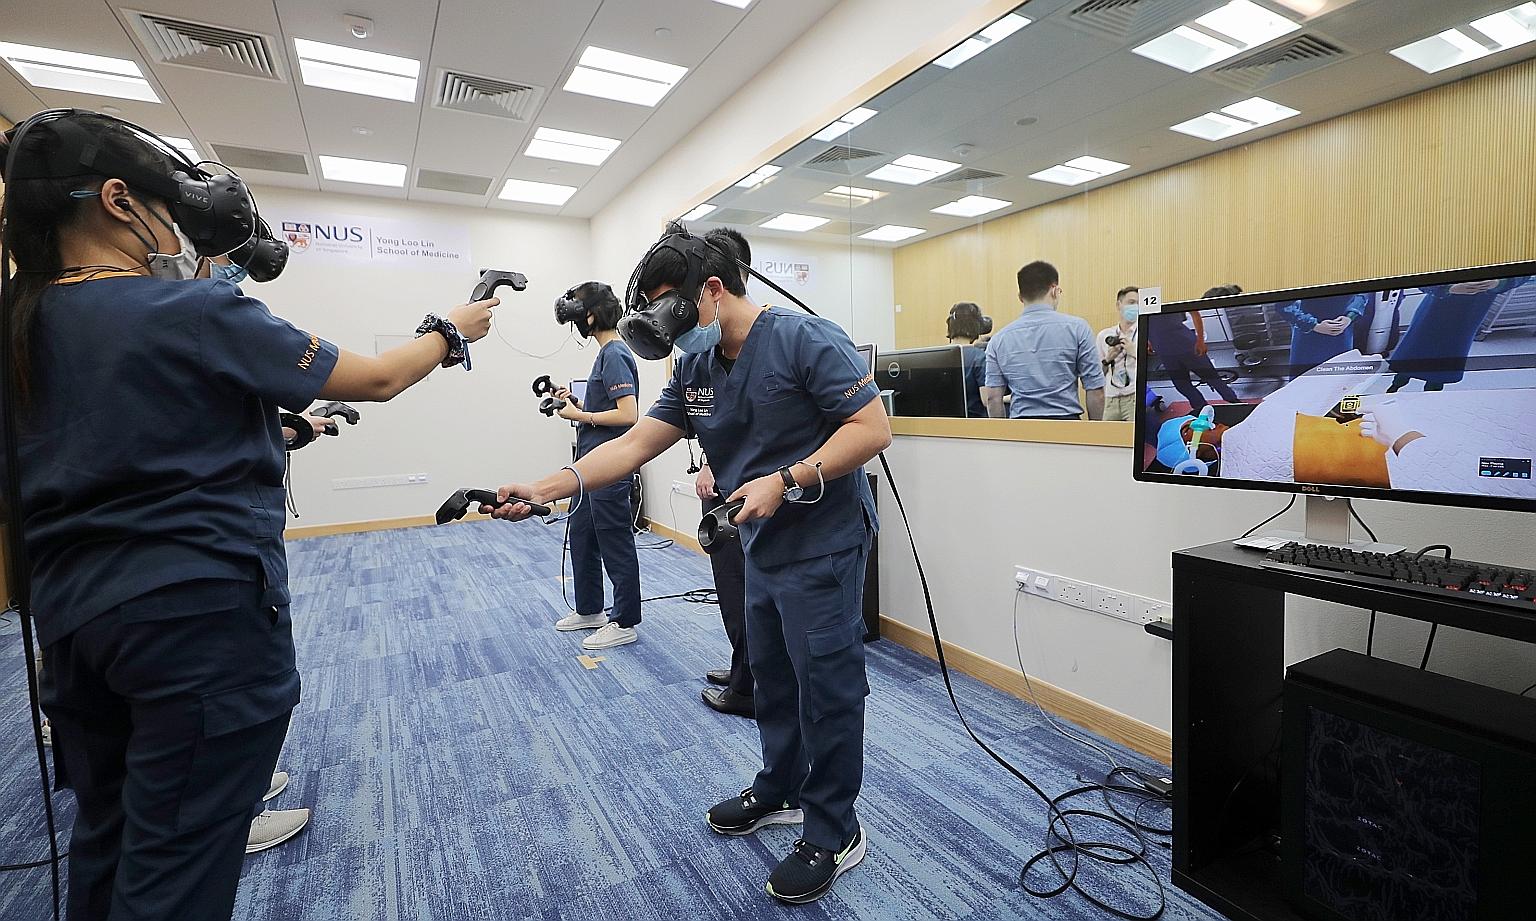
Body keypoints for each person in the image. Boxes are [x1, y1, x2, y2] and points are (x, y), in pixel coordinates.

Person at [1, 110, 496, 921]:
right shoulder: (188, 310)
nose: (176, 232)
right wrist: (451, 330)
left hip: (72, 625)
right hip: (195, 624)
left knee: (110, 837)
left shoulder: (21, 322)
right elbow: (377, 377)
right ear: (118, 200)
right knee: (177, 871)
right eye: (166, 210)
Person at [485, 224, 890, 904]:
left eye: (671, 308)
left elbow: (872, 428)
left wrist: (786, 479)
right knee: (769, 674)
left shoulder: (805, 339)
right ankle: (781, 786)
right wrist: (546, 486)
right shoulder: (695, 369)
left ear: (713, 289)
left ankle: (834, 827)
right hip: (758, 546)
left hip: (821, 544)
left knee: (826, 687)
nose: (668, 329)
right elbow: (634, 443)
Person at [547, 282, 643, 650]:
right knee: (582, 536)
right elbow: (605, 408)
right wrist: (575, 403)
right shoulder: (605, 354)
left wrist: (580, 415)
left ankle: (624, 621)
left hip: (609, 467)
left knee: (615, 542)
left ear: (590, 316)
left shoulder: (615, 353)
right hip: (588, 467)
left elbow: (628, 414)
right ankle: (590, 609)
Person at [982, 261, 1105, 420]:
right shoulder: (1078, 328)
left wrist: (1002, 433)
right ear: (1054, 290)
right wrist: (1094, 430)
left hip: (1021, 426)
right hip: (1067, 424)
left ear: (1020, 297)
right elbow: (1096, 391)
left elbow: (992, 398)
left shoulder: (998, 340)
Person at [1386, 277, 1531, 392]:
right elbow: (1422, 277)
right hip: (1436, 308)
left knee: (1445, 359)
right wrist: (1448, 288)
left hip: (1470, 314)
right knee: (1414, 351)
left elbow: (1523, 273)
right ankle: (1395, 386)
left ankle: (1430, 396)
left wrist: (1499, 282)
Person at [696, 458, 754, 718]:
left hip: (731, 484)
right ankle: (746, 667)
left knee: (736, 587)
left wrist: (711, 465)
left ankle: (746, 689)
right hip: (734, 481)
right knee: (737, 587)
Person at [1144, 284, 1241, 412]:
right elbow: (1147, 324)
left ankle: (1235, 402)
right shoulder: (1145, 306)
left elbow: (1195, 314)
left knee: (1212, 378)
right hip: (1165, 351)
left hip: (1187, 346)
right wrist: (1148, 341)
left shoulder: (1173, 298)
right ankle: (1202, 409)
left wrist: (1200, 341)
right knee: (1182, 385)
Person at [1097, 286, 1141, 421]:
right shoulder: (1104, 335)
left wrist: (1134, 352)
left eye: (1138, 303)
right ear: (1119, 305)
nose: (1135, 306)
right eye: (1131, 302)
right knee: (1107, 434)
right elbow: (1096, 375)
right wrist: (1108, 359)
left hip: (1135, 397)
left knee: (1135, 434)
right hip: (1111, 399)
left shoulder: (1144, 333)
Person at [945, 302, 988, 418]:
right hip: (974, 423)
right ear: (976, 326)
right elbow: (987, 400)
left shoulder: (936, 356)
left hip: (944, 422)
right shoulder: (979, 357)